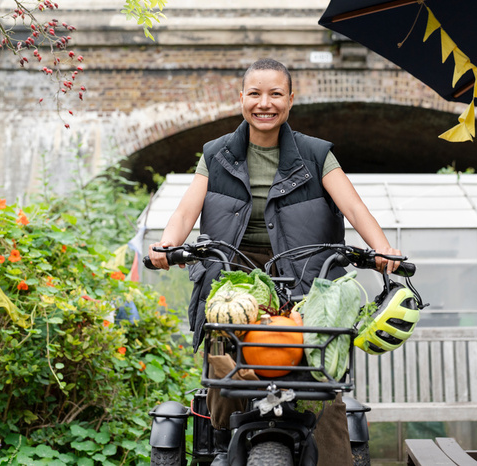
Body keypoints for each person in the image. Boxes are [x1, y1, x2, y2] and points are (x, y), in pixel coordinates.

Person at [148, 58, 401, 466]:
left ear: (290, 100)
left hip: (304, 279)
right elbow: (184, 212)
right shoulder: (216, 155)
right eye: (255, 93)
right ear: (241, 99)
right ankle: (223, 444)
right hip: (234, 278)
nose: (264, 103)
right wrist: (167, 244)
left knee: (322, 387)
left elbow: (353, 206)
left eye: (275, 94)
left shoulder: (317, 155)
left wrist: (383, 249)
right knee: (224, 363)